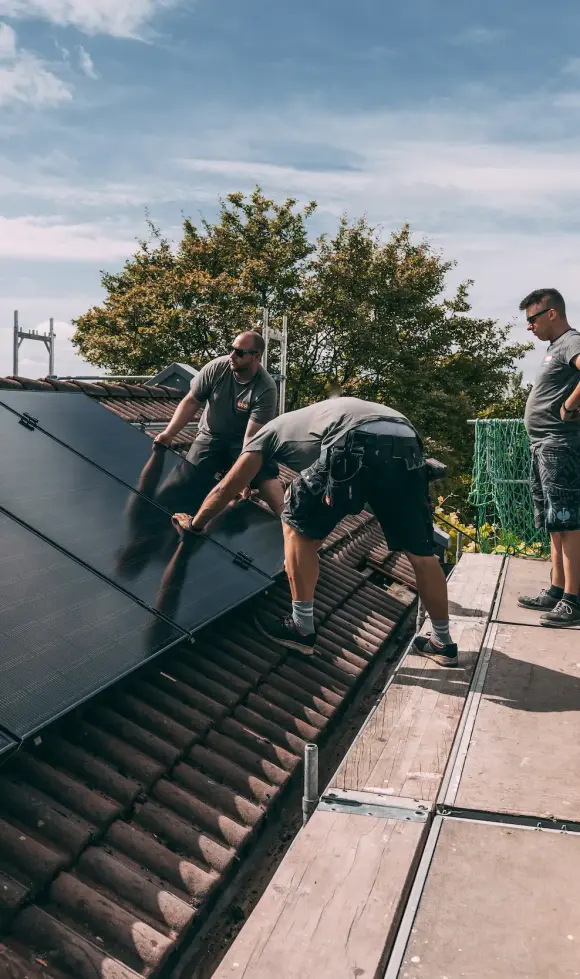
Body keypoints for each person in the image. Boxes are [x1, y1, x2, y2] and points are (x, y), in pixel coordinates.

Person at [172, 396, 458, 667]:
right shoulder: (311, 420)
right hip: (407, 440)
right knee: (421, 553)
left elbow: (226, 487)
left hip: (356, 437)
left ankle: (301, 627)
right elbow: (331, 500)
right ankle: (442, 642)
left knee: (293, 518)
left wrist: (195, 523)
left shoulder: (264, 436)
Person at [154, 332, 284, 517]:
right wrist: (169, 433)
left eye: (239, 352)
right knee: (187, 475)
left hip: (244, 441)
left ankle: (288, 521)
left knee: (264, 472)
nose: (232, 355)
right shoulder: (217, 368)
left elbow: (251, 438)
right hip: (211, 436)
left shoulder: (265, 388)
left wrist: (243, 477)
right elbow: (192, 401)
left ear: (256, 357)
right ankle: (164, 512)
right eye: (232, 349)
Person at [517, 288, 580, 627]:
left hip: (560, 444)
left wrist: (570, 406)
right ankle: (557, 589)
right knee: (554, 521)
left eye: (532, 319)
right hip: (543, 444)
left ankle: (573, 599)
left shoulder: (571, 341)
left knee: (569, 521)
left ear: (551, 313)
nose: (530, 327)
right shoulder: (554, 349)